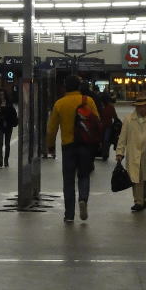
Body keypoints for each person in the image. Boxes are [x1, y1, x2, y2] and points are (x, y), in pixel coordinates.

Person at [45, 74, 97, 223]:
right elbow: (97, 121)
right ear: (79, 86)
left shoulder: (60, 103)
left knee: (68, 180)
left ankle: (69, 215)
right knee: (84, 175)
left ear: (65, 87)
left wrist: (50, 146)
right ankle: (83, 199)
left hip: (68, 146)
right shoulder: (88, 101)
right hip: (85, 145)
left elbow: (51, 129)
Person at [116, 97, 146, 212]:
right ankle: (138, 202)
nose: (142, 108)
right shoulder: (129, 119)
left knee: (145, 178)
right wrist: (119, 152)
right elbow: (122, 137)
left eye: (144, 106)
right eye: (139, 106)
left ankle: (143, 198)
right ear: (136, 107)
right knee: (135, 178)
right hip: (133, 153)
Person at [0, 88, 18, 167]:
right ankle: (0, 159)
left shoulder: (9, 103)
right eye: (0, 95)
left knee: (7, 143)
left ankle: (6, 160)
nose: (1, 96)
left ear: (5, 95)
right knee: (0, 143)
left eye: (3, 94)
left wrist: (7, 108)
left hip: (8, 125)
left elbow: (13, 113)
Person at [98, 91, 119, 160]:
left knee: (104, 140)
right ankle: (105, 153)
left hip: (104, 126)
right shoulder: (110, 107)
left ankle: (104, 153)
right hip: (107, 126)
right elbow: (115, 117)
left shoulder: (101, 107)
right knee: (106, 140)